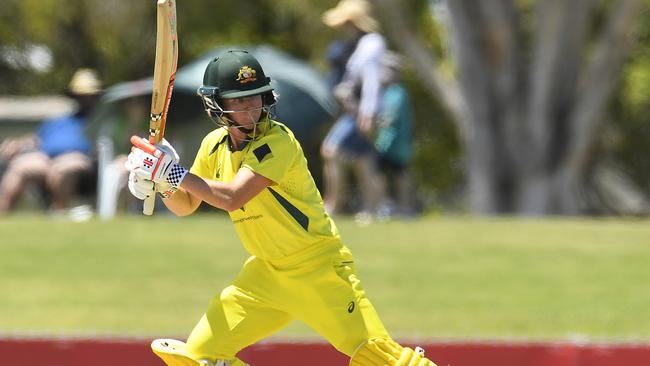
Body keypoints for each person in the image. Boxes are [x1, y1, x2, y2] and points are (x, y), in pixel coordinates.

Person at [125, 50, 437, 366]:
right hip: (265, 275)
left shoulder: (278, 141)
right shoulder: (213, 146)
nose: (251, 110)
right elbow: (186, 205)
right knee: (199, 357)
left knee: (381, 359)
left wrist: (172, 172)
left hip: (317, 268)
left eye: (256, 98)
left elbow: (234, 197)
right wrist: (161, 184)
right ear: (216, 105)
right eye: (239, 101)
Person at [0, 68, 101, 214]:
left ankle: (58, 215)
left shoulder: (99, 122)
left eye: (90, 96)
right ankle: (4, 213)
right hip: (47, 158)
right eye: (81, 95)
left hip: (79, 161)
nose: (85, 99)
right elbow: (36, 139)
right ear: (74, 96)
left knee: (63, 169)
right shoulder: (59, 120)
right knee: (19, 167)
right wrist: (18, 145)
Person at [320, 0, 387, 219]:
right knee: (363, 160)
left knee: (330, 149)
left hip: (359, 113)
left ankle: (333, 204)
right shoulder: (357, 46)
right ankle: (372, 208)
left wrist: (367, 114)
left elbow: (371, 82)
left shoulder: (370, 44)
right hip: (356, 110)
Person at [375, 52, 417, 217]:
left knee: (400, 177)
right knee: (381, 175)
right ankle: (387, 206)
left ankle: (404, 208)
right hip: (385, 143)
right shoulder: (387, 92)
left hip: (396, 145)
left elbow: (390, 118)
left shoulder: (399, 92)